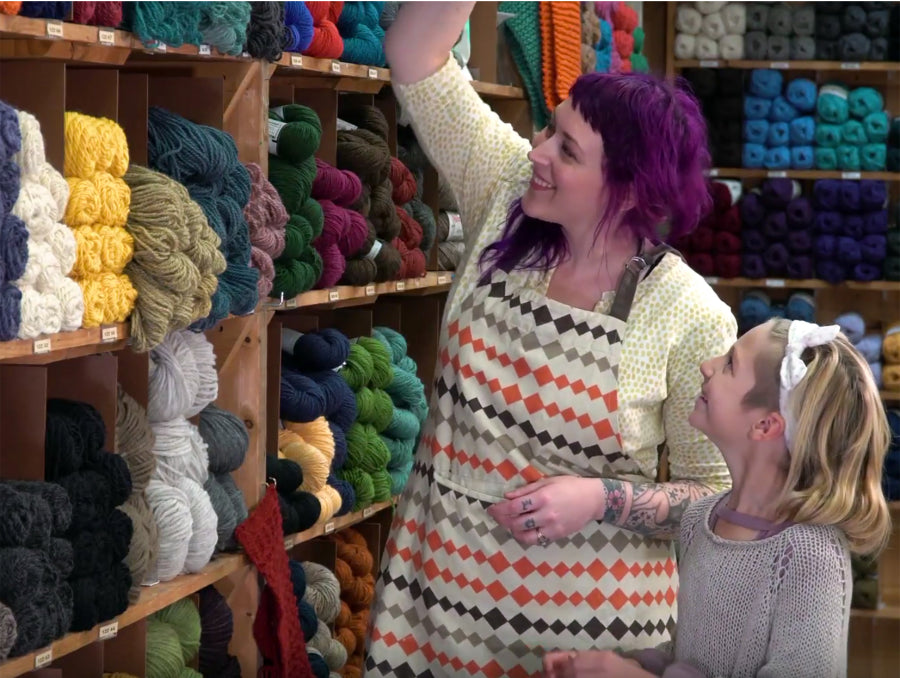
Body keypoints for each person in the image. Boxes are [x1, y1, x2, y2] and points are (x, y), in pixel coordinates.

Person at [366, 3, 738, 676]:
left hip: (590, 643)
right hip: (437, 611)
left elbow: (716, 502)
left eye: (567, 150)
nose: (538, 152)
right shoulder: (505, 192)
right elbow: (414, 55)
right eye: (551, 131)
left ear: (627, 191)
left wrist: (602, 498)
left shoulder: (688, 314)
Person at [543, 318, 892, 678]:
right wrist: (628, 665)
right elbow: (692, 659)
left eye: (729, 364)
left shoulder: (811, 556)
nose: (706, 365)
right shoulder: (702, 519)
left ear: (765, 426)